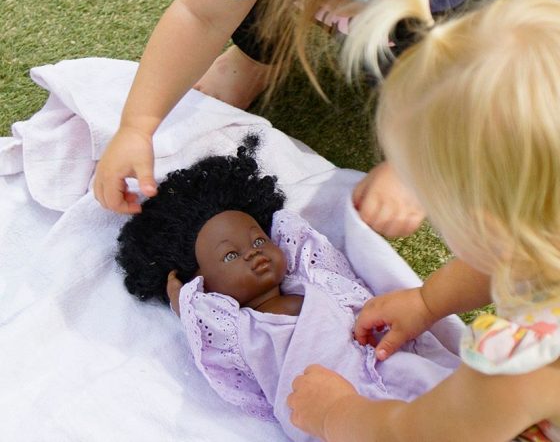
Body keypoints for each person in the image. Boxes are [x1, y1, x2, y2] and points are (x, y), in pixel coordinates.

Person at [93, 0, 546, 238]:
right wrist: (138, 124)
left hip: (444, 26)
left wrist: (414, 168)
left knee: (426, 70)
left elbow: (486, 92)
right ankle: (257, 54)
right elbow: (201, 15)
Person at [287, 0, 560, 441]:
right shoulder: (540, 235)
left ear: (486, 224)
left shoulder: (526, 362)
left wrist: (334, 412)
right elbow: (509, 259)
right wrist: (427, 301)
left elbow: (414, 434)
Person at [115, 137, 460, 442]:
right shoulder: (243, 331)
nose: (253, 252)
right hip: (335, 404)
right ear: (204, 284)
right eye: (231, 255)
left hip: (394, 368)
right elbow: (205, 326)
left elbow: (318, 258)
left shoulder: (309, 280)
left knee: (453, 399)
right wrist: (183, 301)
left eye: (258, 239)